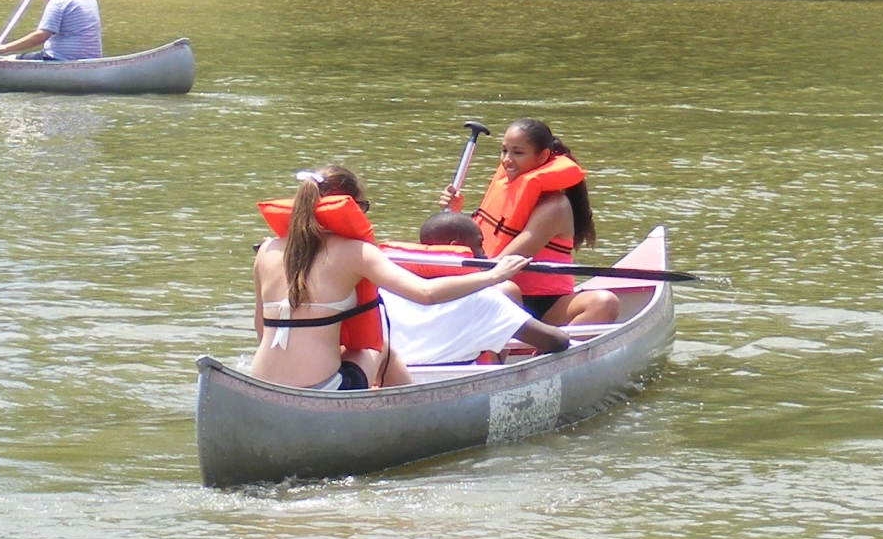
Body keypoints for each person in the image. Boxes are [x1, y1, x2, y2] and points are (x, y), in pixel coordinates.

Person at [252, 167, 527, 391]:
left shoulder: (267, 250)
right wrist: (494, 275)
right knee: (382, 348)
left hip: (262, 386)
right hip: (323, 389)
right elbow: (426, 293)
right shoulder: (356, 252)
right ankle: (412, 419)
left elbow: (261, 330)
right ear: (351, 206)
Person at [442, 118, 618, 327]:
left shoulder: (555, 207)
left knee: (604, 302)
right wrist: (454, 215)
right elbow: (479, 243)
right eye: (504, 150)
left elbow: (506, 260)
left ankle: (548, 351)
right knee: (505, 291)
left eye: (518, 152)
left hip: (547, 306)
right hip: (500, 293)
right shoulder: (508, 189)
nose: (507, 159)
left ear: (543, 156)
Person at [380, 211, 572, 367]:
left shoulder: (386, 292)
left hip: (402, 381)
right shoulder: (482, 300)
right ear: (457, 247)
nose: (485, 254)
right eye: (479, 245)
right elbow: (557, 341)